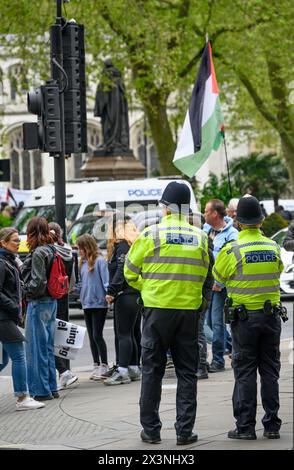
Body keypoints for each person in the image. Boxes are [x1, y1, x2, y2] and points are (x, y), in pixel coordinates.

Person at [124, 181, 209, 445]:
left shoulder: (151, 235)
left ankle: (151, 430)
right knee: (186, 372)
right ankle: (184, 432)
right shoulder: (201, 237)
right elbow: (208, 275)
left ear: (166, 208)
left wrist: (147, 288)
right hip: (188, 313)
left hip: (157, 312)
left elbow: (129, 272)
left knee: (152, 371)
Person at [213, 195, 284, 440]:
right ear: (261, 221)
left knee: (244, 373)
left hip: (244, 321)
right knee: (270, 372)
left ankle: (245, 427)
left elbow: (218, 281)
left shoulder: (231, 249)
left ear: (238, 221)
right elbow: (277, 271)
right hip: (271, 319)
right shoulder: (273, 247)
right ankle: (272, 425)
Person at [0, 228, 45, 411]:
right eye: (15, 241)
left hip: (6, 316)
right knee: (19, 356)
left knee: (3, 360)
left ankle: (23, 397)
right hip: (3, 317)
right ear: (3, 243)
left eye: (19, 241)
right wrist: (13, 307)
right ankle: (22, 397)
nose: (19, 244)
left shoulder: (9, 261)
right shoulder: (2, 263)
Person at [20, 217, 59, 401]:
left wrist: (24, 289)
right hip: (52, 302)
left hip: (38, 302)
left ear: (32, 231)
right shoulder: (53, 248)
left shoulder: (38, 253)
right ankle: (52, 386)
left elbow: (37, 282)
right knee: (48, 348)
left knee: (36, 350)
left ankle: (40, 390)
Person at [104, 214, 141, 385]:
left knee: (124, 334)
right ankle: (133, 368)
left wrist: (111, 291)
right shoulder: (132, 244)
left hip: (124, 294)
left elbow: (121, 270)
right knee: (133, 333)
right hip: (135, 293)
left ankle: (122, 371)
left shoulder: (122, 246)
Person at [203, 199, 238, 372]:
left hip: (220, 286)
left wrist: (219, 283)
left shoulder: (232, 234)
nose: (204, 215)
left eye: (206, 211)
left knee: (217, 323)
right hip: (206, 284)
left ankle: (218, 360)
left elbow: (232, 261)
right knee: (208, 323)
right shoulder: (205, 230)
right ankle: (233, 348)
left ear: (215, 214)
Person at [48, 222, 78, 390]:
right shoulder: (67, 250)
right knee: (62, 335)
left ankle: (64, 372)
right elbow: (72, 279)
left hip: (53, 296)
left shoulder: (50, 250)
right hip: (64, 296)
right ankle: (65, 371)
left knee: (51, 336)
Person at [76, 234, 109, 380]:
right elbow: (82, 282)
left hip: (99, 303)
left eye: (80, 248)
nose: (79, 251)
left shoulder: (100, 261)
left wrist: (109, 295)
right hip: (86, 303)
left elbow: (106, 281)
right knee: (91, 336)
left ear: (87, 247)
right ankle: (96, 364)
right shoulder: (82, 263)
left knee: (97, 335)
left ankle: (105, 365)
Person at [94, 58, 130, 153]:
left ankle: (109, 142)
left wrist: (99, 109)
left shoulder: (106, 78)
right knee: (117, 125)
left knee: (107, 125)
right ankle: (115, 141)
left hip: (108, 111)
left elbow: (102, 98)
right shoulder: (119, 79)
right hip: (119, 112)